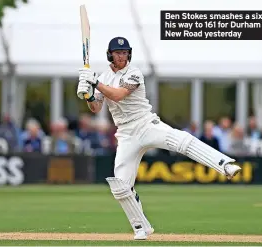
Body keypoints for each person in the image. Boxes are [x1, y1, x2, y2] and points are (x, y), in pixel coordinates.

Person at [77, 37, 241, 240]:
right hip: (125, 134)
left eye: (125, 52)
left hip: (146, 124)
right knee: (120, 186)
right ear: (110, 54)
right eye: (118, 52)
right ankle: (141, 228)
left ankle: (224, 164)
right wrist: (88, 95)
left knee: (180, 141)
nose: (122, 56)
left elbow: (118, 95)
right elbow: (96, 108)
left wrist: (95, 83)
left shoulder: (134, 73)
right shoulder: (104, 76)